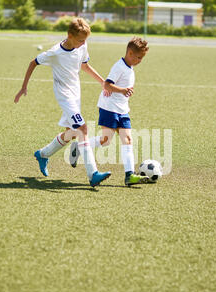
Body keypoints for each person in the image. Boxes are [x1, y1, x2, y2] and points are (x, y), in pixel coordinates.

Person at [14, 17, 111, 187]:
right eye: (80, 40)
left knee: (72, 133)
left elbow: (85, 66)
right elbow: (33, 62)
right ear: (69, 35)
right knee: (82, 128)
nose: (83, 44)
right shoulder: (55, 52)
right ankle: (93, 174)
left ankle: (43, 154)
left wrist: (103, 82)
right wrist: (23, 87)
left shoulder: (82, 44)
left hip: (76, 92)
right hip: (64, 95)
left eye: (85, 40)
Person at [69, 37, 150, 186]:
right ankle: (80, 146)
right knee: (106, 141)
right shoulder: (119, 66)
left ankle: (129, 175)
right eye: (138, 57)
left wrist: (123, 93)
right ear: (130, 53)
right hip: (109, 108)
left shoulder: (129, 67)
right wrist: (123, 90)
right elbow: (107, 85)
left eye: (142, 58)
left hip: (123, 109)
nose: (140, 61)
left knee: (128, 139)